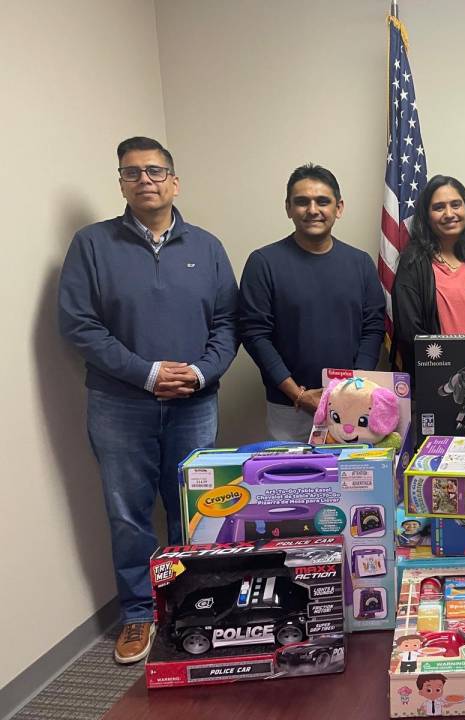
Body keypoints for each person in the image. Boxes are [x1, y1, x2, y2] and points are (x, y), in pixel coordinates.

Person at [58, 137, 238, 663]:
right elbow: (79, 324)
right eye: (132, 172)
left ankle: (192, 604)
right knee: (128, 513)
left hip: (194, 403)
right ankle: (139, 613)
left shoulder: (207, 247)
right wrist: (148, 373)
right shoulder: (92, 245)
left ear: (174, 182)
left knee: (195, 510)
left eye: (155, 171)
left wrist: (200, 374)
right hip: (120, 404)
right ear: (121, 184)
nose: (145, 180)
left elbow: (228, 324)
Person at [239, 164, 385, 441]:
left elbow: (373, 328)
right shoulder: (264, 263)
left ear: (338, 208)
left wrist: (354, 388)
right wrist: (298, 394)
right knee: (294, 471)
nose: (313, 209)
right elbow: (255, 335)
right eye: (302, 202)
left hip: (353, 404)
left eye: (322, 201)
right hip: (290, 407)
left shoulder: (360, 263)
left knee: (354, 470)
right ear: (288, 208)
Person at [391, 175, 465, 374]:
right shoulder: (413, 264)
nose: (449, 213)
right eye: (439, 207)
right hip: (434, 373)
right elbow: (409, 331)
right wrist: (442, 364)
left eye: (456, 205)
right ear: (427, 216)